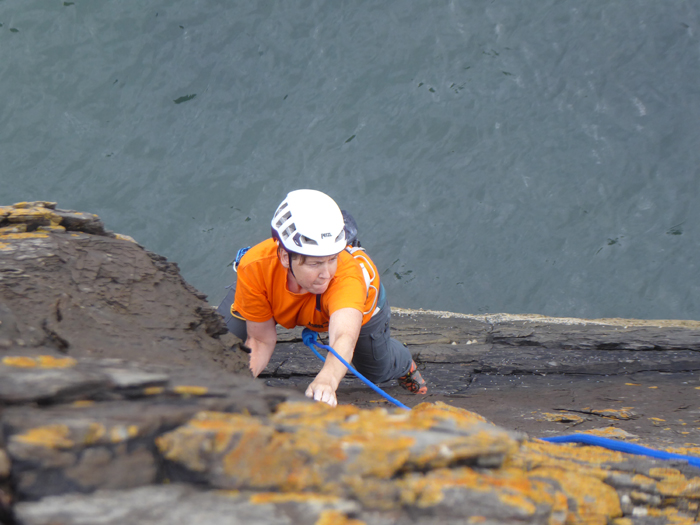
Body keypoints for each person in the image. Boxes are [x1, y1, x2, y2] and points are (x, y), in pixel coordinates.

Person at [217, 189, 426, 407]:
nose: (327, 274)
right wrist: (235, 386)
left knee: (377, 371)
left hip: (361, 309)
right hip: (273, 292)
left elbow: (344, 337)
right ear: (285, 257)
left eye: (332, 259)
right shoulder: (255, 267)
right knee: (217, 344)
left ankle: (403, 364)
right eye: (315, 263)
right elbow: (260, 340)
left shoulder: (346, 277)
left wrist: (327, 380)